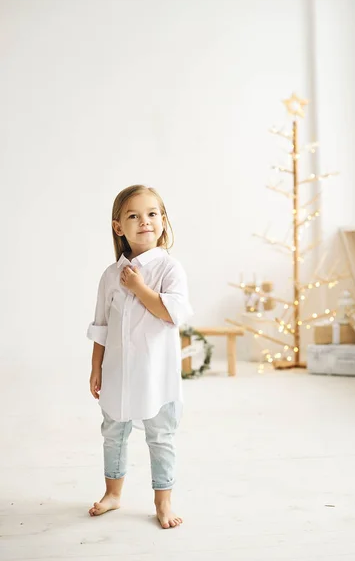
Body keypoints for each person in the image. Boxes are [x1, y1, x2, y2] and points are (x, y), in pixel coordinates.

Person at [87, 184, 193, 528]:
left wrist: (139, 288)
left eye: (152, 214)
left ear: (163, 220)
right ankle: (113, 493)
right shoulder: (109, 275)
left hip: (157, 376)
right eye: (133, 215)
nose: (144, 221)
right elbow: (101, 325)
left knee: (160, 436)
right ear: (119, 226)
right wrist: (96, 367)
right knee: (113, 432)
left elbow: (171, 313)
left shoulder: (169, 269)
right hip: (118, 372)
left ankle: (163, 502)